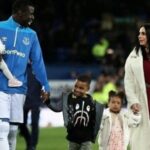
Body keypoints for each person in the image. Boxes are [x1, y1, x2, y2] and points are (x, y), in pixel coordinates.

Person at [0, 0, 50, 150]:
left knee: (13, 131)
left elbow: (38, 62)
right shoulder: (0, 27)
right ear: (19, 12)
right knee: (2, 128)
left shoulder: (32, 35)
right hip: (0, 87)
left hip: (19, 88)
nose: (32, 17)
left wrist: (45, 86)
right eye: (30, 13)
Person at [43, 74, 104, 150]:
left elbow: (95, 121)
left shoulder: (91, 102)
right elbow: (57, 108)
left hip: (86, 140)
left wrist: (93, 135)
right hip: (72, 139)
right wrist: (47, 101)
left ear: (87, 89)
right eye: (76, 86)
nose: (77, 89)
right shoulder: (68, 98)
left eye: (81, 88)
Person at [124, 23, 150, 150]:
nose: (140, 36)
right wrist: (133, 100)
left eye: (143, 33)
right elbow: (128, 81)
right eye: (139, 33)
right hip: (141, 98)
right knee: (140, 137)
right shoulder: (133, 56)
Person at [19, 63, 43, 150]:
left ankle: (32, 146)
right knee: (21, 124)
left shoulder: (39, 68)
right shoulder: (21, 67)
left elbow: (44, 83)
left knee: (34, 123)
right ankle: (29, 141)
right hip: (24, 100)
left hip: (36, 101)